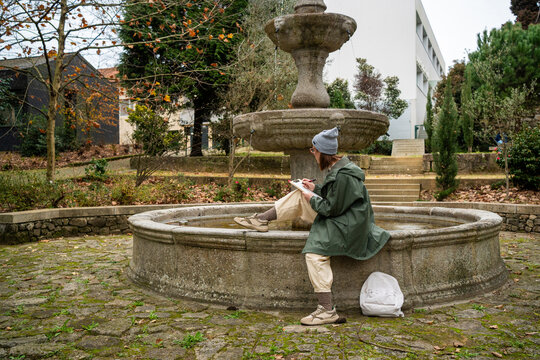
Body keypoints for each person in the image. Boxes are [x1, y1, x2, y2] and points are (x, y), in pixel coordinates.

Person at [234, 127, 391, 325]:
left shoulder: (344, 175)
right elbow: (335, 198)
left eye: (313, 150)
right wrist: (314, 189)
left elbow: (331, 208)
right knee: (300, 194)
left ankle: (326, 310)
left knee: (315, 254)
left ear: (322, 152)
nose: (312, 154)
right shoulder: (341, 169)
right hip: (345, 219)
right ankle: (262, 220)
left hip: (348, 226)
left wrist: (311, 197)